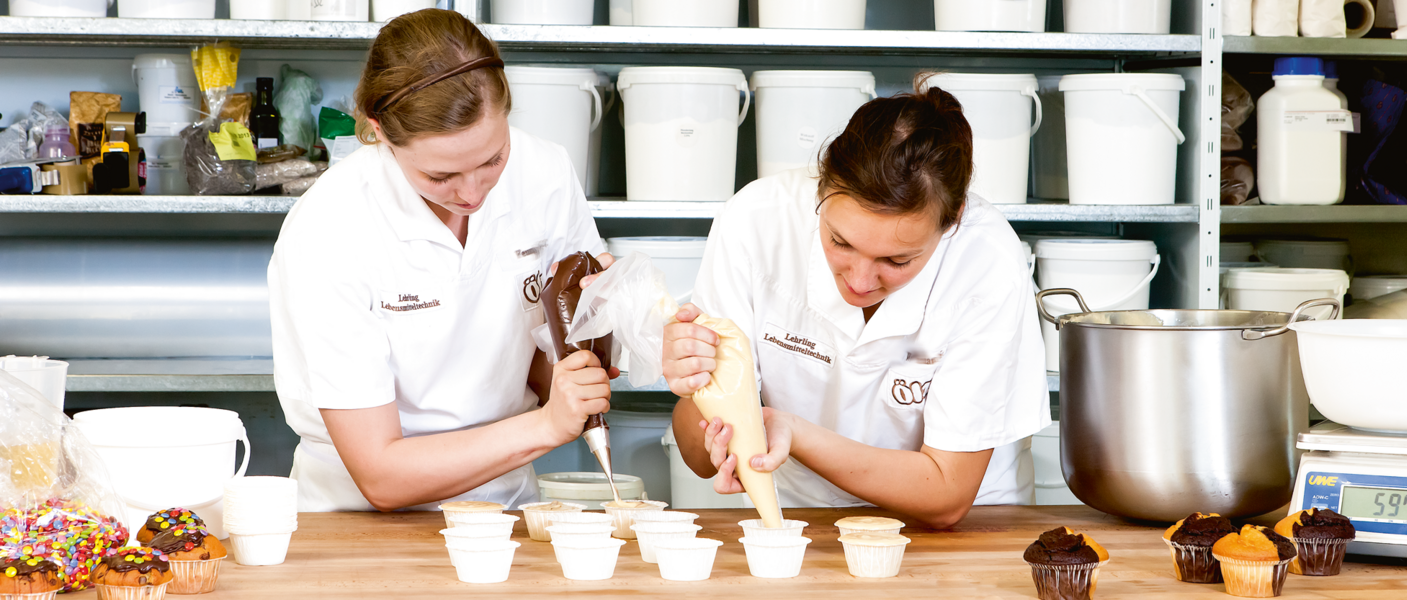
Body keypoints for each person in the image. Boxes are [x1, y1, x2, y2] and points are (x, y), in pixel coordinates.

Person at [268, 9, 614, 512]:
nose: (472, 193)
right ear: (379, 131)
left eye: (493, 159)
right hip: (357, 523)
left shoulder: (545, 174)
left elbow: (551, 362)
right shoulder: (329, 229)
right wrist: (547, 425)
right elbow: (381, 475)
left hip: (506, 506)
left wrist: (612, 323)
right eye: (440, 175)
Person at [664, 81, 1051, 529]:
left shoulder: (987, 257)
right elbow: (698, 458)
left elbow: (948, 494)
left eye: (897, 260)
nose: (861, 280)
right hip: (802, 519)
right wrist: (695, 386)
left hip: (963, 528)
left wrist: (795, 432)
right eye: (840, 242)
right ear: (821, 189)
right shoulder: (755, 222)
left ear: (953, 219)